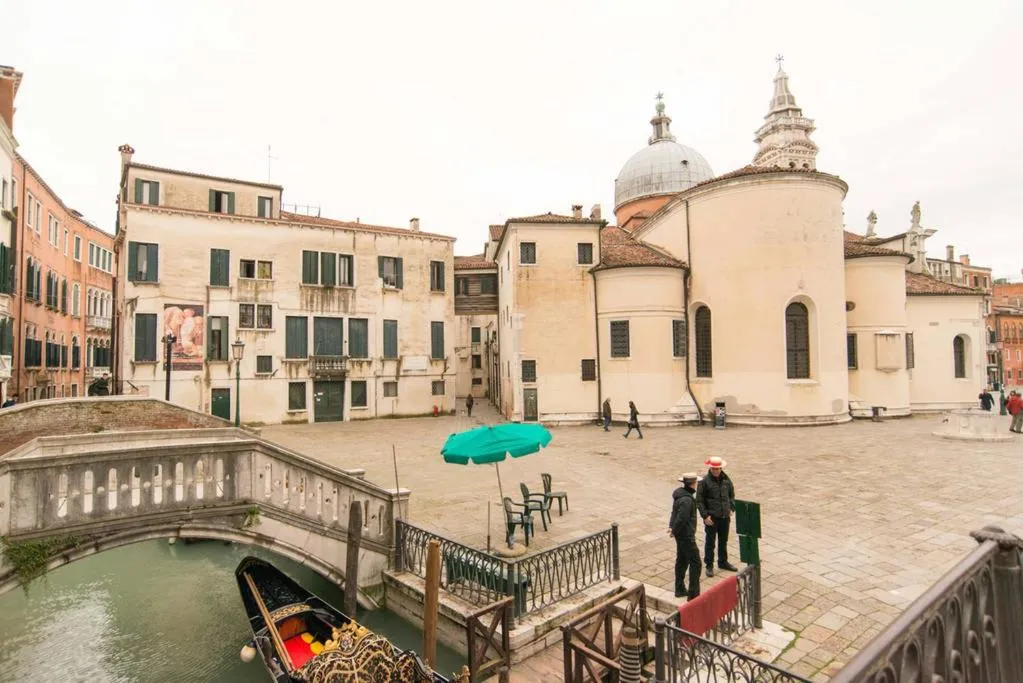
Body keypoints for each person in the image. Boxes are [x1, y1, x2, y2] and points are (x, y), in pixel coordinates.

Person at [697, 456, 737, 577]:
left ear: (721, 468)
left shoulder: (726, 480)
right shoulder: (704, 482)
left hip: (725, 516)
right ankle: (709, 565)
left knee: (723, 541)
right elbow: (699, 500)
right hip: (712, 518)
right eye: (714, 469)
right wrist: (705, 516)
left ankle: (723, 562)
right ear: (710, 468)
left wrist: (731, 507)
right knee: (710, 542)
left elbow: (732, 495)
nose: (716, 471)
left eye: (718, 468)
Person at [668, 472, 701, 600]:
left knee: (682, 560)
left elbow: (674, 513)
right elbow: (682, 518)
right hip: (686, 535)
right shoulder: (687, 500)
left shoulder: (679, 495)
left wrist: (671, 527)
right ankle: (693, 594)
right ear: (693, 484)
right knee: (696, 563)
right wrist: (674, 530)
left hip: (681, 535)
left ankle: (680, 589)